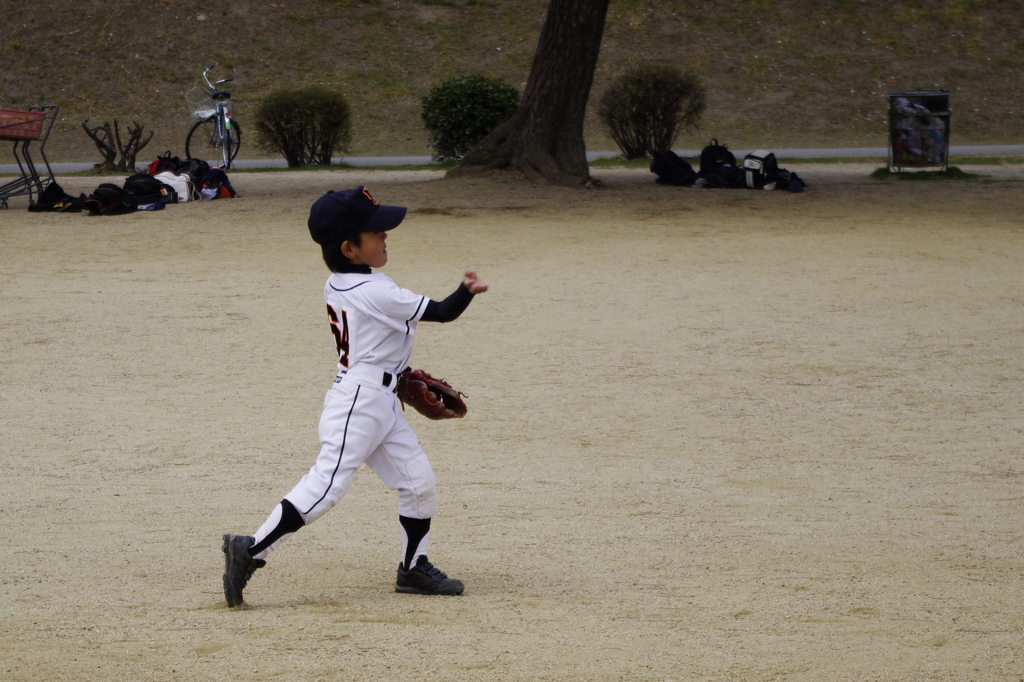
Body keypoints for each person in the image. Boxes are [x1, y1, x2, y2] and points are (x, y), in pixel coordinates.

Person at [221, 186, 488, 607]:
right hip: (359, 403)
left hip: (380, 397)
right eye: (375, 232)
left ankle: (413, 568)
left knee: (418, 483)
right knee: (326, 485)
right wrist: (466, 290)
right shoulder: (375, 290)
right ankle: (250, 550)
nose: (385, 236)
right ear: (349, 247)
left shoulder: (340, 281)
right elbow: (441, 311)